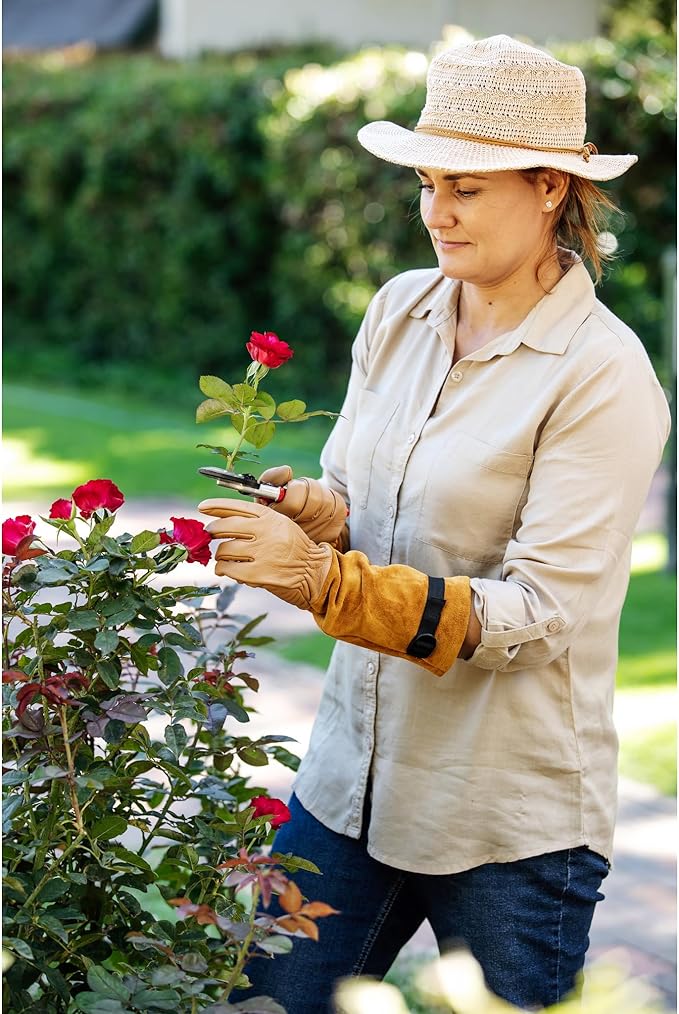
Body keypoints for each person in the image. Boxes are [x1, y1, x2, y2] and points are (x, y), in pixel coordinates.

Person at [199, 34, 671, 1012]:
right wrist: (313, 515)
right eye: (426, 182)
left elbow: (537, 616)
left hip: (504, 822)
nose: (435, 211)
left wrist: (321, 582)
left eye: (466, 187)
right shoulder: (399, 311)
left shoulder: (602, 375)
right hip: (348, 784)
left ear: (550, 188)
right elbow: (355, 501)